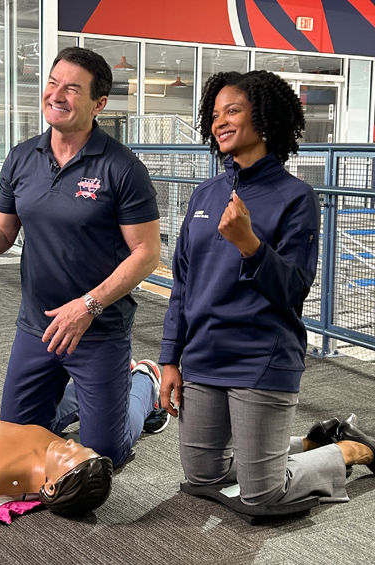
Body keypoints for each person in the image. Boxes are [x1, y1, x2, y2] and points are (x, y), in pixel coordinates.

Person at [158, 70, 375, 508]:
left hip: (261, 356)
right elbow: (183, 283)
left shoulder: (295, 197)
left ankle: (347, 449)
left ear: (265, 119)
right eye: (215, 114)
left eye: (233, 111)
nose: (220, 121)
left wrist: (249, 245)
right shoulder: (203, 195)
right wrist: (169, 358)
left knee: (262, 494)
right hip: (203, 357)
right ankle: (307, 443)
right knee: (202, 478)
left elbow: (293, 290)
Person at [0, 46, 162, 467]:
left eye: (72, 89)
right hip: (38, 325)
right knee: (14, 443)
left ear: (99, 104)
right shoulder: (23, 157)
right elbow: (2, 233)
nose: (56, 94)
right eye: (52, 82)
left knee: (104, 456)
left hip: (97, 327)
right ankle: (87, 396)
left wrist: (88, 305)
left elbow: (147, 254)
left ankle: (142, 384)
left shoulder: (122, 168)